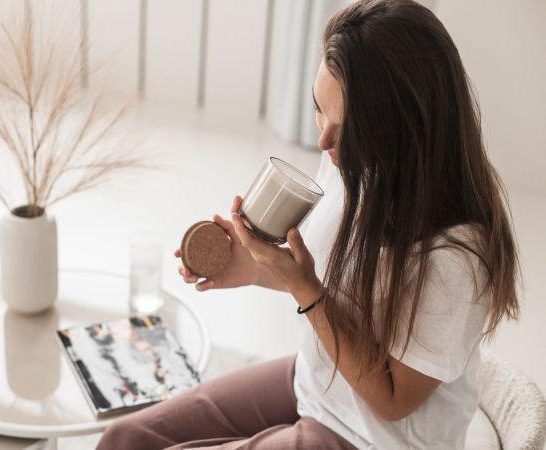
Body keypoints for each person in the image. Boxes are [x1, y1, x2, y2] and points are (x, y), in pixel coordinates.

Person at [96, 0, 519, 448]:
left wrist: (304, 290)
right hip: (317, 382)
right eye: (319, 109)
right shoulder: (351, 162)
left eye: (348, 128)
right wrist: (255, 268)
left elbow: (393, 400)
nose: (323, 141)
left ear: (404, 127)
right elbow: (347, 290)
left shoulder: (456, 256)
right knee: (126, 437)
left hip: (370, 436)